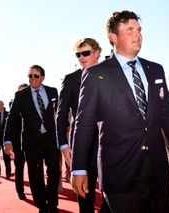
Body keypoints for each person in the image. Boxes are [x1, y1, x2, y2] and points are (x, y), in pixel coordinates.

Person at [71, 10, 169, 213]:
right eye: (130, 30)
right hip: (119, 171)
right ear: (113, 37)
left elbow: (167, 113)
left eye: (139, 30)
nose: (138, 35)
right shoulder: (95, 74)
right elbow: (84, 123)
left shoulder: (156, 70)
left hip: (157, 170)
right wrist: (78, 167)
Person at [56, 38, 110, 213]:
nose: (81, 57)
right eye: (78, 54)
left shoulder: (111, 76)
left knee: (112, 194)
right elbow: (61, 115)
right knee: (85, 195)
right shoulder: (71, 80)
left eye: (85, 53)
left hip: (110, 142)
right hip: (82, 144)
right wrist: (64, 145)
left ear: (97, 52)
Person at [4, 65, 60, 213]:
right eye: (30, 76)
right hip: (31, 141)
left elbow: (61, 113)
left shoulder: (53, 92)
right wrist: (7, 140)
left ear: (42, 77)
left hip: (50, 140)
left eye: (36, 76)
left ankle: (52, 203)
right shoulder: (21, 95)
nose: (32, 79)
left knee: (54, 171)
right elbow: (11, 118)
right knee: (35, 176)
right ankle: (42, 205)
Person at [9, 83, 29, 200]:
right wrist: (9, 141)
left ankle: (38, 192)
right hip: (18, 143)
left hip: (33, 142)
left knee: (35, 168)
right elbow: (10, 124)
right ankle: (20, 191)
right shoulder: (14, 107)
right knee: (19, 167)